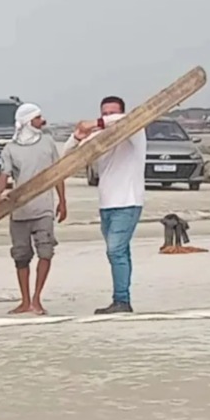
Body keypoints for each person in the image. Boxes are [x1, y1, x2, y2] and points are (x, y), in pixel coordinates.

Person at [62, 95, 146, 314]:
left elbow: (126, 120)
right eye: (104, 114)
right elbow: (67, 157)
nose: (108, 117)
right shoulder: (99, 136)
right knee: (120, 252)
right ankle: (122, 298)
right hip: (107, 203)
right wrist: (77, 137)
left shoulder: (135, 132)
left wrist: (96, 122)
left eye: (112, 113)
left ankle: (121, 300)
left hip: (128, 201)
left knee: (115, 250)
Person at [0, 103, 68, 314]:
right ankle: (25, 301)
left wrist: (62, 201)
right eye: (37, 118)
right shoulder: (10, 148)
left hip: (44, 208)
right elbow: (4, 176)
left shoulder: (47, 142)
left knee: (46, 252)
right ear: (27, 121)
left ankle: (37, 298)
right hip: (19, 211)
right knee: (21, 257)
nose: (42, 121)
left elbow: (57, 172)